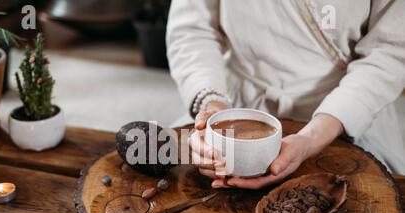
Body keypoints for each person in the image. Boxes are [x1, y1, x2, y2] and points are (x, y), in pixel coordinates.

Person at [166, 0, 405, 189]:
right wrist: (213, 113)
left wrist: (311, 139)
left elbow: (389, 52)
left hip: (345, 109)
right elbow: (193, 29)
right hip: (235, 99)